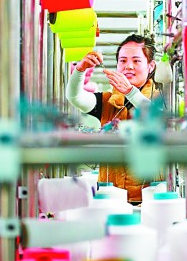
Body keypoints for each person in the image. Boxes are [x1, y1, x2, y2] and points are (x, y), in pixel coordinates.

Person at [66, 34, 162, 203]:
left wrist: (130, 92)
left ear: (151, 66)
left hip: (151, 201)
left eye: (136, 61)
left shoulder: (161, 100)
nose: (128, 66)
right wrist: (80, 69)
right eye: (123, 61)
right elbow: (75, 97)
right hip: (110, 199)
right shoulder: (109, 101)